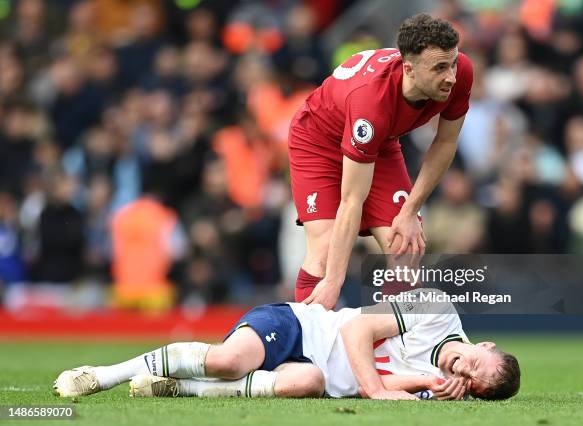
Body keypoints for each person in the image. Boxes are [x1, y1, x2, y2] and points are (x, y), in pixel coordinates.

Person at [289, 14, 473, 308]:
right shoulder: (371, 104)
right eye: (439, 68)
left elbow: (446, 141)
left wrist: (410, 211)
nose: (450, 76)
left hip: (379, 140)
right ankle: (308, 349)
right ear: (409, 69)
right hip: (318, 142)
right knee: (323, 254)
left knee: (405, 246)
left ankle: (394, 349)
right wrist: (334, 282)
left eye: (451, 63)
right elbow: (352, 201)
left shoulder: (461, 71)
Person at [53, 289, 520, 401]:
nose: (465, 371)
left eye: (473, 383)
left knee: (307, 383)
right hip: (301, 326)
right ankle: (101, 375)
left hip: (315, 370)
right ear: (485, 342)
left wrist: (421, 382)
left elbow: (369, 385)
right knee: (227, 361)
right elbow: (357, 333)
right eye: (477, 362)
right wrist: (379, 392)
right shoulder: (434, 308)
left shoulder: (440, 388)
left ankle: (176, 388)